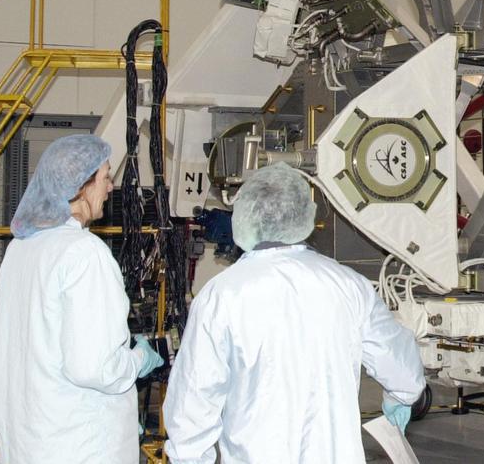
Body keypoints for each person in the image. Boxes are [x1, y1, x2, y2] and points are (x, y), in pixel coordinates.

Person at [164, 162, 426, 464]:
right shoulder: (349, 286)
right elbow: (402, 367)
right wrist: (401, 397)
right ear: (305, 216)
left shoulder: (222, 295)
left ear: (245, 216)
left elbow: (193, 403)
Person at [0, 135, 164, 463]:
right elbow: (96, 369)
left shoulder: (21, 248)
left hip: (32, 439)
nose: (111, 187)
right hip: (79, 444)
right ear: (80, 186)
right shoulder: (84, 253)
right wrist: (139, 360)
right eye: (105, 176)